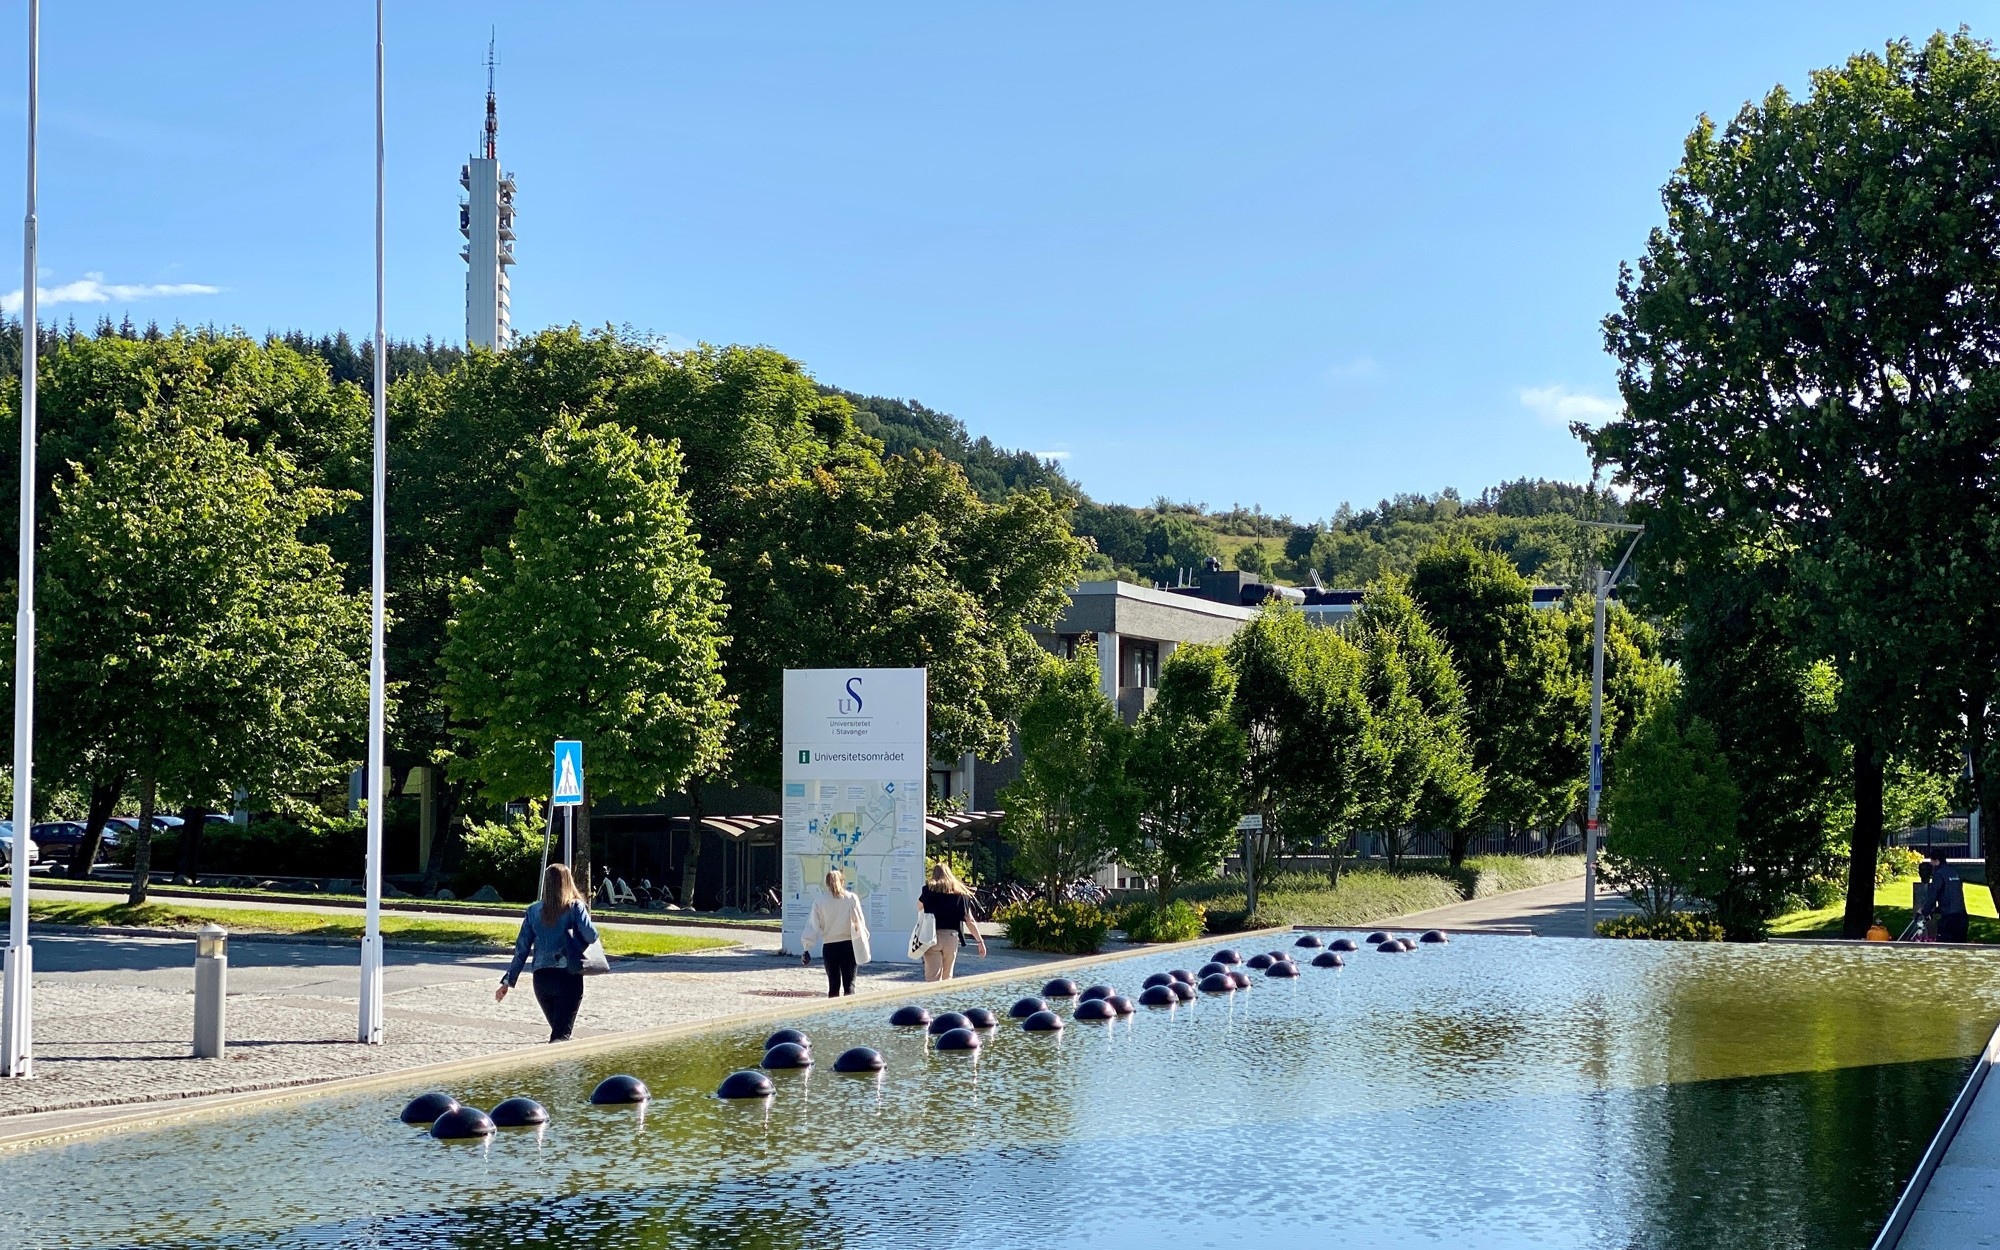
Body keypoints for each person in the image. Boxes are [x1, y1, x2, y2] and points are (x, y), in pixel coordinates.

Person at [495, 862, 600, 1042]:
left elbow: (521, 949)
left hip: (542, 979)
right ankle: (555, 1069)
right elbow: (591, 935)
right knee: (561, 1037)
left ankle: (563, 1069)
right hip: (568, 976)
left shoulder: (533, 911)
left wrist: (508, 981)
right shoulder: (575, 907)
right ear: (568, 882)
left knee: (559, 1035)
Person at [801, 869, 871, 997]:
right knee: (849, 986)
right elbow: (860, 922)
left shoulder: (819, 901)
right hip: (849, 946)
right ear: (842, 881)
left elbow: (812, 926)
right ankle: (849, 1014)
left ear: (826, 884)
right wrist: (864, 939)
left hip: (830, 946)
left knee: (833, 986)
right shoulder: (851, 898)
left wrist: (807, 948)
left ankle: (833, 1015)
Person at [916, 862, 986, 982]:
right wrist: (980, 941)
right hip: (951, 937)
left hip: (932, 936)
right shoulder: (960, 894)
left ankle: (933, 1000)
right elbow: (970, 920)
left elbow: (919, 907)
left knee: (933, 979)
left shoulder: (928, 890)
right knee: (947, 978)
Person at [1931, 850, 1970, 943]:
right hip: (1962, 916)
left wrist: (1925, 911)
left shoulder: (1939, 874)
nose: (1930, 863)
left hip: (1949, 919)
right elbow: (1953, 896)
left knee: (1944, 947)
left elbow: (1932, 895)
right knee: (1960, 946)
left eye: (1931, 860)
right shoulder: (1954, 872)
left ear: (1936, 860)